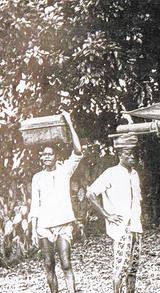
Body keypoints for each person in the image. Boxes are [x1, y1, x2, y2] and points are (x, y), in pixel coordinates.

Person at [30, 111, 83, 293]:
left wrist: (69, 122)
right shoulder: (37, 177)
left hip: (63, 224)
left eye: (50, 155)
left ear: (56, 157)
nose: (46, 157)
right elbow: (34, 205)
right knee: (48, 263)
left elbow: (78, 151)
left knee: (66, 263)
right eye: (43, 155)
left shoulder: (64, 171)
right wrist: (33, 230)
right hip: (44, 226)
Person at [86, 133, 143, 293]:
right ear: (119, 154)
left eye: (134, 153)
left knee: (133, 268)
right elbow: (90, 193)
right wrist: (106, 215)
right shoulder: (111, 173)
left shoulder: (134, 174)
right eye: (127, 153)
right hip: (121, 228)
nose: (132, 156)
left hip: (136, 227)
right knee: (120, 267)